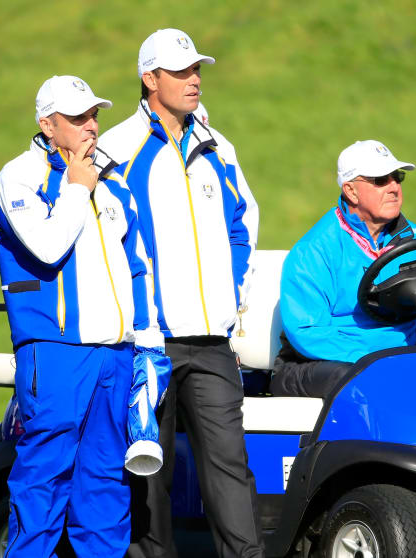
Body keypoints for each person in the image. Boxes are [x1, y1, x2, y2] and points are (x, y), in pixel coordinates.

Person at [0, 75, 170, 558]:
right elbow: (46, 248)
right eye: (76, 118)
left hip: (117, 355)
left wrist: (149, 342)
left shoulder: (114, 183)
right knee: (42, 483)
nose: (91, 126)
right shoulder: (18, 177)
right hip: (56, 352)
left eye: (94, 115)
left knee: (106, 490)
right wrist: (75, 189)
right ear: (47, 125)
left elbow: (139, 269)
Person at [97, 29, 262, 558]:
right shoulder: (117, 148)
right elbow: (105, 240)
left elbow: (243, 224)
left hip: (213, 341)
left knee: (230, 469)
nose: (194, 80)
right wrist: (132, 319)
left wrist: (231, 297)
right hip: (149, 343)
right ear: (150, 80)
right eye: (181, 71)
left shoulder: (218, 145)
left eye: (197, 70)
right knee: (150, 474)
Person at [272, 139, 416, 398]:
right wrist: (375, 360)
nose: (394, 187)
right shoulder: (314, 250)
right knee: (362, 382)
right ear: (351, 191)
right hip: (318, 364)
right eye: (380, 180)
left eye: (397, 177)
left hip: (397, 361)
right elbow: (307, 333)